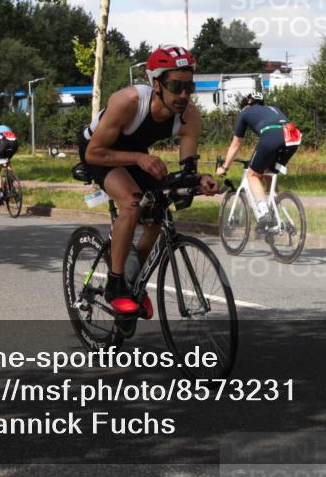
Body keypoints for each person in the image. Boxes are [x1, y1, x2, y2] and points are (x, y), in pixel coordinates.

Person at [78, 45, 220, 314]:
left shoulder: (189, 115)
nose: (183, 95)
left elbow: (187, 171)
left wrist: (200, 179)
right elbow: (95, 153)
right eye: (176, 86)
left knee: (157, 216)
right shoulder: (129, 101)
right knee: (132, 203)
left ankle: (132, 282)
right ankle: (116, 285)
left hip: (134, 154)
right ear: (156, 84)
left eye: (189, 87)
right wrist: (139, 158)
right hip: (98, 151)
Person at [217, 91, 302, 230]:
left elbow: (235, 144)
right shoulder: (273, 109)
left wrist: (225, 167)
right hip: (293, 136)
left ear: (245, 105)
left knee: (252, 175)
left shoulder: (245, 112)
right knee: (268, 173)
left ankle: (264, 213)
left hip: (272, 135)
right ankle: (275, 215)